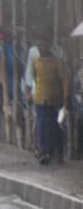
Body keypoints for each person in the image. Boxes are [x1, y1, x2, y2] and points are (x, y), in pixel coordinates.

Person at [28, 37, 70, 165]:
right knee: (42, 125)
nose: (41, 49)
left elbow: (65, 80)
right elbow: (30, 79)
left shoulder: (57, 62)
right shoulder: (36, 62)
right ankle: (44, 151)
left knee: (55, 126)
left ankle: (57, 152)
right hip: (40, 99)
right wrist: (28, 93)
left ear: (48, 46)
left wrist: (66, 97)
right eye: (39, 47)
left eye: (43, 46)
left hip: (55, 99)